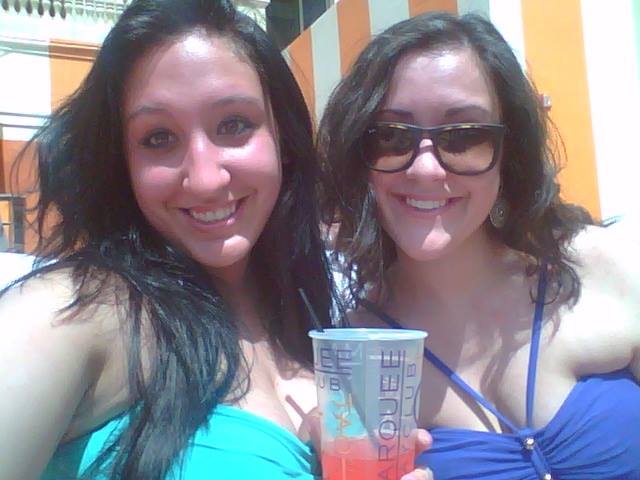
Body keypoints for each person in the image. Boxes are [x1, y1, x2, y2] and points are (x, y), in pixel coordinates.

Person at [0, 1, 433, 479]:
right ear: (121, 163)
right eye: (158, 137)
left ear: (282, 139)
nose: (204, 179)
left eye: (233, 125)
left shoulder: (310, 331)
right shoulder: (85, 314)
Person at [319, 11, 640, 480]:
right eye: (391, 136)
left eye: (465, 136)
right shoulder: (358, 360)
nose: (426, 170)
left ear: (507, 155)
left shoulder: (610, 265)